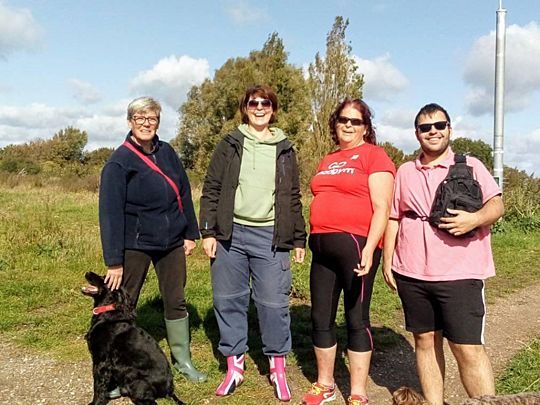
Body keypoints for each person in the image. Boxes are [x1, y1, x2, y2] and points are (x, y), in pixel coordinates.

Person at [383, 103, 504, 405]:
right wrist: (387, 261)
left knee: (467, 348)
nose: (433, 131)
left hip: (460, 273)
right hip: (411, 272)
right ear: (417, 134)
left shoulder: (471, 165)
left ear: (450, 129)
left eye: (439, 125)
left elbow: (497, 206)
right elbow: (394, 217)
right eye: (425, 127)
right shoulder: (405, 171)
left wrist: (474, 219)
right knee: (424, 342)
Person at [199, 85, 306, 401]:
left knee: (273, 304)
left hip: (271, 237)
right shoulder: (230, 144)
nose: (259, 107)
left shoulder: (285, 148)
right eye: (253, 103)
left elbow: (293, 197)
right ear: (245, 108)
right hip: (230, 235)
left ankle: (277, 368)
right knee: (228, 299)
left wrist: (298, 238)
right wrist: (208, 232)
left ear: (273, 108)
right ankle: (235, 366)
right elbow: (212, 188)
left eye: (266, 103)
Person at [98, 96, 207, 389]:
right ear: (130, 121)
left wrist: (190, 233)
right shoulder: (119, 161)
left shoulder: (168, 152)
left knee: (176, 299)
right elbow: (109, 214)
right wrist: (114, 261)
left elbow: (183, 191)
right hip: (135, 244)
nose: (146, 123)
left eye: (152, 118)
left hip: (171, 242)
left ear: (158, 121)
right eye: (140, 118)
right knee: (124, 304)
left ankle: (182, 361)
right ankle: (119, 372)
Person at [301, 98, 396, 405]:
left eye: (355, 121)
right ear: (335, 122)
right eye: (343, 119)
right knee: (320, 317)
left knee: (357, 318)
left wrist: (371, 248)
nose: (348, 125)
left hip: (357, 246)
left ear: (365, 127)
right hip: (321, 247)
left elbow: (382, 207)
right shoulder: (328, 159)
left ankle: (357, 393)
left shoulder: (375, 155)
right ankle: (325, 384)